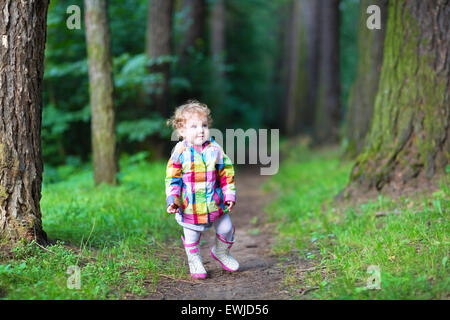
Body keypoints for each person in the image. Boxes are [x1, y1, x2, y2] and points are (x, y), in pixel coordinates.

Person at [165, 100, 239, 279]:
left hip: (214, 202)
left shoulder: (215, 149)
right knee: (191, 235)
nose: (201, 130)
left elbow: (226, 173)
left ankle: (221, 252)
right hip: (190, 206)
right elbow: (172, 178)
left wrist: (229, 195)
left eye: (204, 125)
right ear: (182, 131)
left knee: (226, 227)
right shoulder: (180, 151)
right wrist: (173, 200)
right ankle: (195, 259)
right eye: (194, 126)